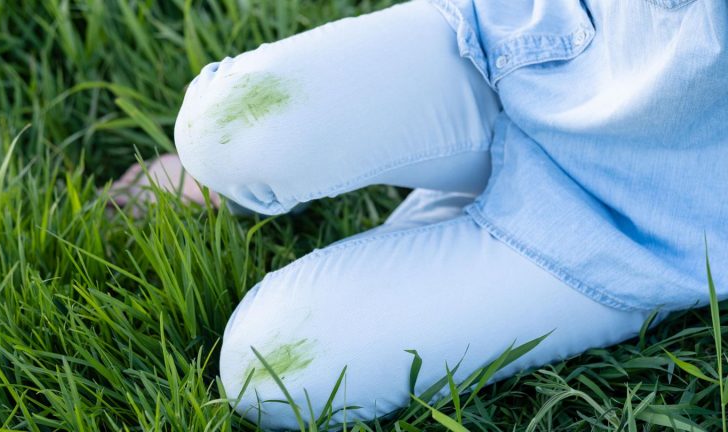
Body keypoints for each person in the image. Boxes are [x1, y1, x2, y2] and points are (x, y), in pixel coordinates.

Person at [111, 0, 728, 429]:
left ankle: (481, 222)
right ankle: (256, 185)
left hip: (642, 217)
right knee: (224, 124)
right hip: (539, 40)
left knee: (271, 371)